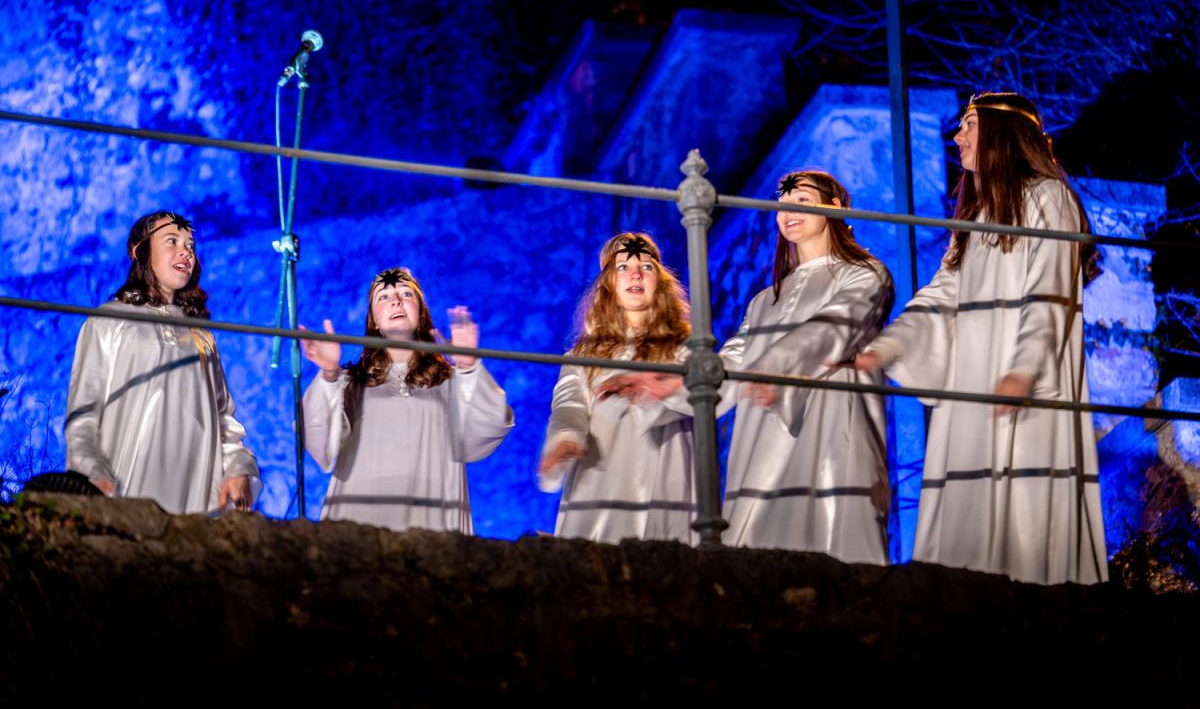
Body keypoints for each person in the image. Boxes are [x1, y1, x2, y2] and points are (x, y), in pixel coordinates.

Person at [856, 91, 1106, 584]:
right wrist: (888, 345)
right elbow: (941, 293)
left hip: (1024, 386)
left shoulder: (1049, 198)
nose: (957, 137)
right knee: (967, 516)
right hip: (973, 387)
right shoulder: (973, 219)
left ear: (1002, 134)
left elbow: (1050, 291)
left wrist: (1023, 370)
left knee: (1026, 514)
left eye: (969, 125)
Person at [604, 172, 894, 563]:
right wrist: (675, 384)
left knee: (829, 531)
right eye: (782, 202)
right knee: (760, 541)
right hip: (762, 430)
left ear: (835, 208)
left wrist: (773, 367)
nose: (788, 210)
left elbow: (835, 327)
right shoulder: (764, 301)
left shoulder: (864, 274)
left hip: (828, 417)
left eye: (802, 200)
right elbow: (733, 359)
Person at [65, 211, 259, 514]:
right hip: (127, 485)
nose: (186, 252)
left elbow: (224, 418)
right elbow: (84, 413)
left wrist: (237, 467)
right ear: (139, 251)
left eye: (190, 246)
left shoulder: (201, 335)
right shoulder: (108, 321)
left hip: (198, 491)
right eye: (172, 241)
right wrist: (91, 472)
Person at [300, 267, 513, 533]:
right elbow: (320, 443)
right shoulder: (351, 384)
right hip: (359, 519)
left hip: (431, 517)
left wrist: (469, 366)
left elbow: (488, 429)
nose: (396, 301)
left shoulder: (452, 383)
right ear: (374, 322)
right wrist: (329, 374)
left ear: (421, 312)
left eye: (406, 294)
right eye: (383, 297)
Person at [537, 233, 697, 543]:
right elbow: (569, 404)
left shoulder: (684, 348)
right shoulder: (583, 356)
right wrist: (565, 438)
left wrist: (656, 388)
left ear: (660, 282)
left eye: (646, 267)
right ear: (608, 283)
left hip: (664, 471)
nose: (636, 274)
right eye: (623, 267)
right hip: (602, 472)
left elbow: (702, 396)